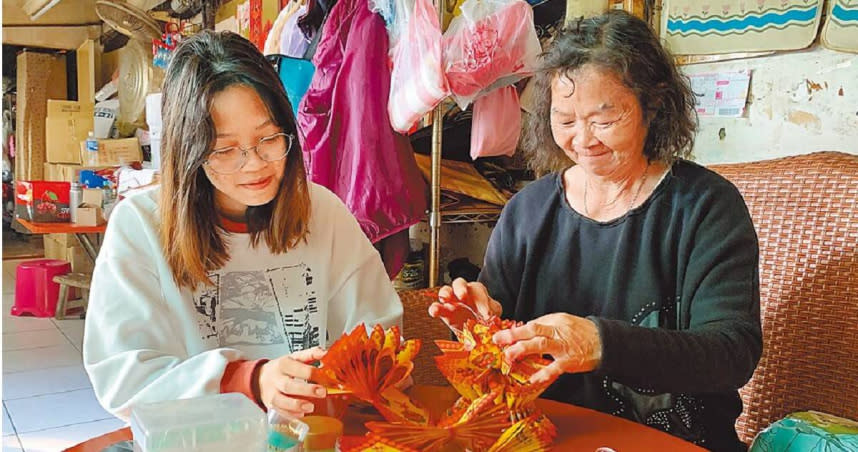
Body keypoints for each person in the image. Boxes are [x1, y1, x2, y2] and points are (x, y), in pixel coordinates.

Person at [429, 11, 761, 451]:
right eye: (565, 120)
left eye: (603, 120)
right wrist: (479, 327)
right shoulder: (528, 210)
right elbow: (505, 349)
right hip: (545, 437)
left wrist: (601, 344)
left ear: (653, 105)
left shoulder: (705, 208)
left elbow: (731, 353)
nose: (583, 140)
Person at [84, 31, 402, 421]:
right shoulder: (141, 226)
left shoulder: (323, 212)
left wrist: (358, 372)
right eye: (224, 149)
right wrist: (250, 380)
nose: (253, 163)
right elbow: (122, 377)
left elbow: (380, 333)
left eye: (268, 138)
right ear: (189, 150)